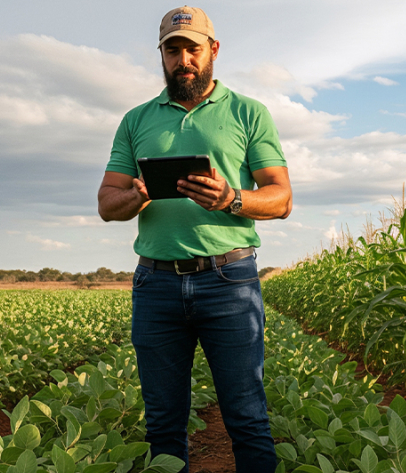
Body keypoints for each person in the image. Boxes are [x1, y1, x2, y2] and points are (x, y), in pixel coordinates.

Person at [97, 6, 292, 473]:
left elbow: (281, 197)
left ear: (213, 50)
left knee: (247, 417)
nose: (183, 59)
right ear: (162, 55)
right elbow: (107, 203)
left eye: (192, 49)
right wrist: (139, 194)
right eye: (172, 50)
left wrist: (230, 198)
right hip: (156, 285)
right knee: (163, 424)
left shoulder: (248, 112)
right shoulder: (136, 120)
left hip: (229, 280)